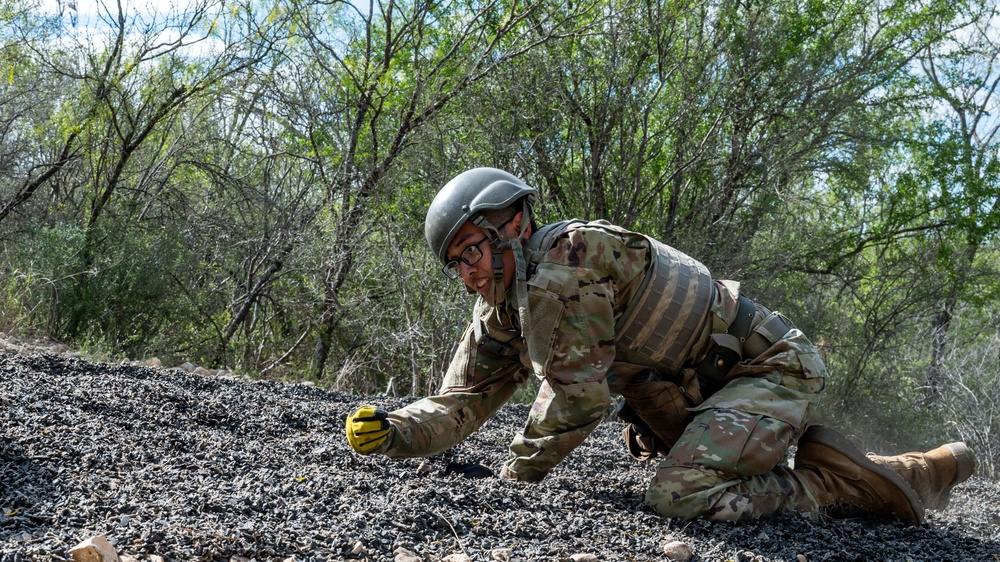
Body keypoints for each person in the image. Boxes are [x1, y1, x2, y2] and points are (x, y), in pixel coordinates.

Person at [345, 167, 976, 523]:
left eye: (473, 251)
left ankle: (838, 485)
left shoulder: (563, 268)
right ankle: (921, 467)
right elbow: (461, 402)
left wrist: (516, 478)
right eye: (456, 263)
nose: (468, 273)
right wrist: (395, 431)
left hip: (770, 369)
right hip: (706, 389)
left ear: (513, 227)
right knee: (685, 474)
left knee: (677, 494)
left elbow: (577, 400)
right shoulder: (505, 303)